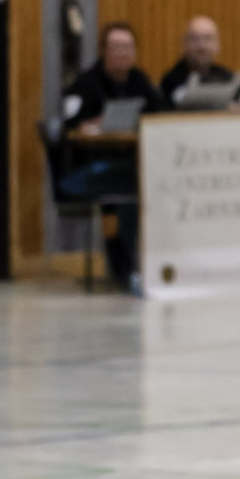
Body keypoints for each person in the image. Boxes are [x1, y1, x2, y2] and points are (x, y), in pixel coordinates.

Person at [62, 22, 167, 291]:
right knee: (132, 186)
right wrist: (95, 124)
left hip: (130, 164)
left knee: (150, 182)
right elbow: (69, 127)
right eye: (116, 47)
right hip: (87, 170)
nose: (122, 53)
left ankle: (150, 261)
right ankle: (127, 265)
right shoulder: (85, 85)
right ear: (103, 51)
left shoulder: (139, 81)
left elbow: (161, 113)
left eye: (127, 47)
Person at [158, 16, 240, 112]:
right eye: (195, 39)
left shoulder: (227, 77)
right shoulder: (170, 82)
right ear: (185, 44)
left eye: (208, 38)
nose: (202, 46)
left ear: (217, 44)